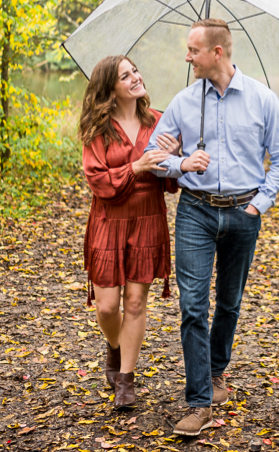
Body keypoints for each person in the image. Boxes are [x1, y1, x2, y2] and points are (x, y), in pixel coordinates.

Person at [146, 18, 279, 436]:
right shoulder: (184, 101)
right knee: (193, 306)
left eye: (193, 50)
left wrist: (258, 205)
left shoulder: (263, 100)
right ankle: (199, 403)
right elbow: (150, 155)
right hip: (195, 210)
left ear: (217, 53)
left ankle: (216, 371)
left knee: (229, 302)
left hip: (243, 213)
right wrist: (180, 163)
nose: (186, 56)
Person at [79, 55, 180, 409]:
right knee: (108, 308)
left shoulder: (161, 122)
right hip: (109, 221)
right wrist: (136, 166)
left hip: (148, 217)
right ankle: (116, 345)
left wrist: (176, 157)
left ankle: (126, 379)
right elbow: (98, 181)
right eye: (126, 75)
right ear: (111, 89)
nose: (136, 77)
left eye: (136, 70)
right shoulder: (97, 129)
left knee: (135, 303)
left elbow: (172, 180)